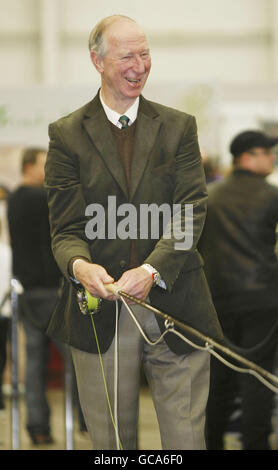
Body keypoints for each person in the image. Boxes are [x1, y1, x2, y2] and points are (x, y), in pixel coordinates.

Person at [45, 15, 223, 450]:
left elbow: (190, 212)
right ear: (97, 61)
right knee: (112, 445)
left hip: (178, 304)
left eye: (144, 54)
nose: (139, 65)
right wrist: (80, 266)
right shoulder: (66, 135)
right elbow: (65, 228)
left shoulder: (179, 126)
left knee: (187, 441)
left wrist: (151, 269)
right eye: (127, 55)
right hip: (100, 312)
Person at [198, 130, 278, 450]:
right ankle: (256, 445)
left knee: (219, 382)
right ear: (247, 157)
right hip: (262, 301)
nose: (271, 158)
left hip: (216, 302)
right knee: (257, 379)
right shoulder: (271, 196)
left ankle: (211, 444)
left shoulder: (208, 196)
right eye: (266, 153)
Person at [7, 148, 85, 444]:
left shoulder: (15, 199)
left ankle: (38, 427)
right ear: (28, 167)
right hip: (53, 289)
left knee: (36, 361)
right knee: (79, 357)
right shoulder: (42, 200)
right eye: (44, 165)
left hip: (27, 290)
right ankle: (87, 419)